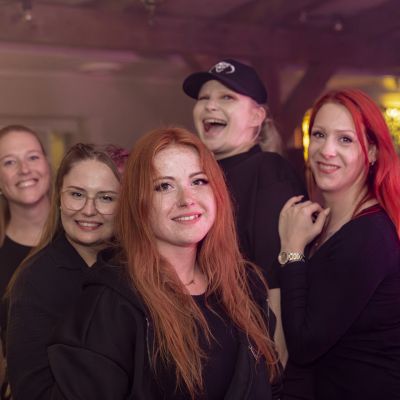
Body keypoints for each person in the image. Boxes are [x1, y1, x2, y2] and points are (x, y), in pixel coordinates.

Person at [47, 127, 281, 399]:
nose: (186, 199)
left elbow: (272, 383)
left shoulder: (244, 284)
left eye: (199, 181)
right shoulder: (110, 305)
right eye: (164, 186)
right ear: (139, 203)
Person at [277, 88, 400, 400]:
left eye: (345, 139)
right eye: (319, 134)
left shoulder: (369, 235)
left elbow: (303, 345)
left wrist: (292, 250)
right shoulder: (332, 222)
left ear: (372, 151)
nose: (326, 150)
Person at [182, 59, 306, 364]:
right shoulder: (199, 177)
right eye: (204, 98)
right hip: (205, 344)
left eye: (227, 97)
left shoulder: (267, 170)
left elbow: (274, 273)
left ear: (257, 116)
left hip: (251, 351)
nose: (210, 105)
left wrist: (276, 360)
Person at [6, 143, 127, 400]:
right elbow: (32, 392)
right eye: (77, 194)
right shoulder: (35, 282)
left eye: (106, 198)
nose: (89, 210)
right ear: (59, 198)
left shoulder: (133, 270)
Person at [0, 125, 51, 393]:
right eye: (9, 162)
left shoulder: (89, 236)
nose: (24, 169)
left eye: (32, 157)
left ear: (47, 164)